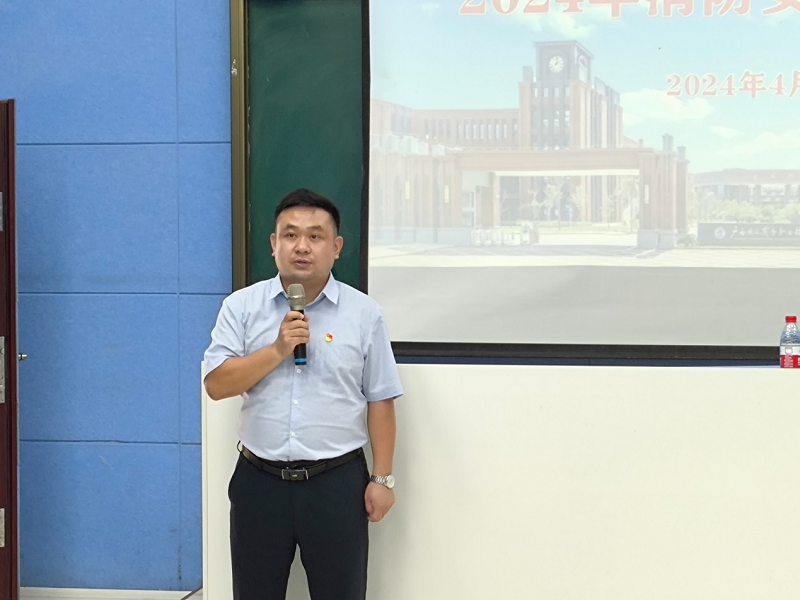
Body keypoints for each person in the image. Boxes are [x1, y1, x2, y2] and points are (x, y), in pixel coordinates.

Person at [203, 188, 402, 600]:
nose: (302, 246)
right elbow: (217, 384)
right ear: (274, 244)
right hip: (259, 482)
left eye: (315, 236)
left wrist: (382, 478)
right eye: (290, 235)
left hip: (337, 484)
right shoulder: (241, 307)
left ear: (336, 247)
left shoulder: (364, 313)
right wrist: (278, 349)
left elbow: (380, 398)